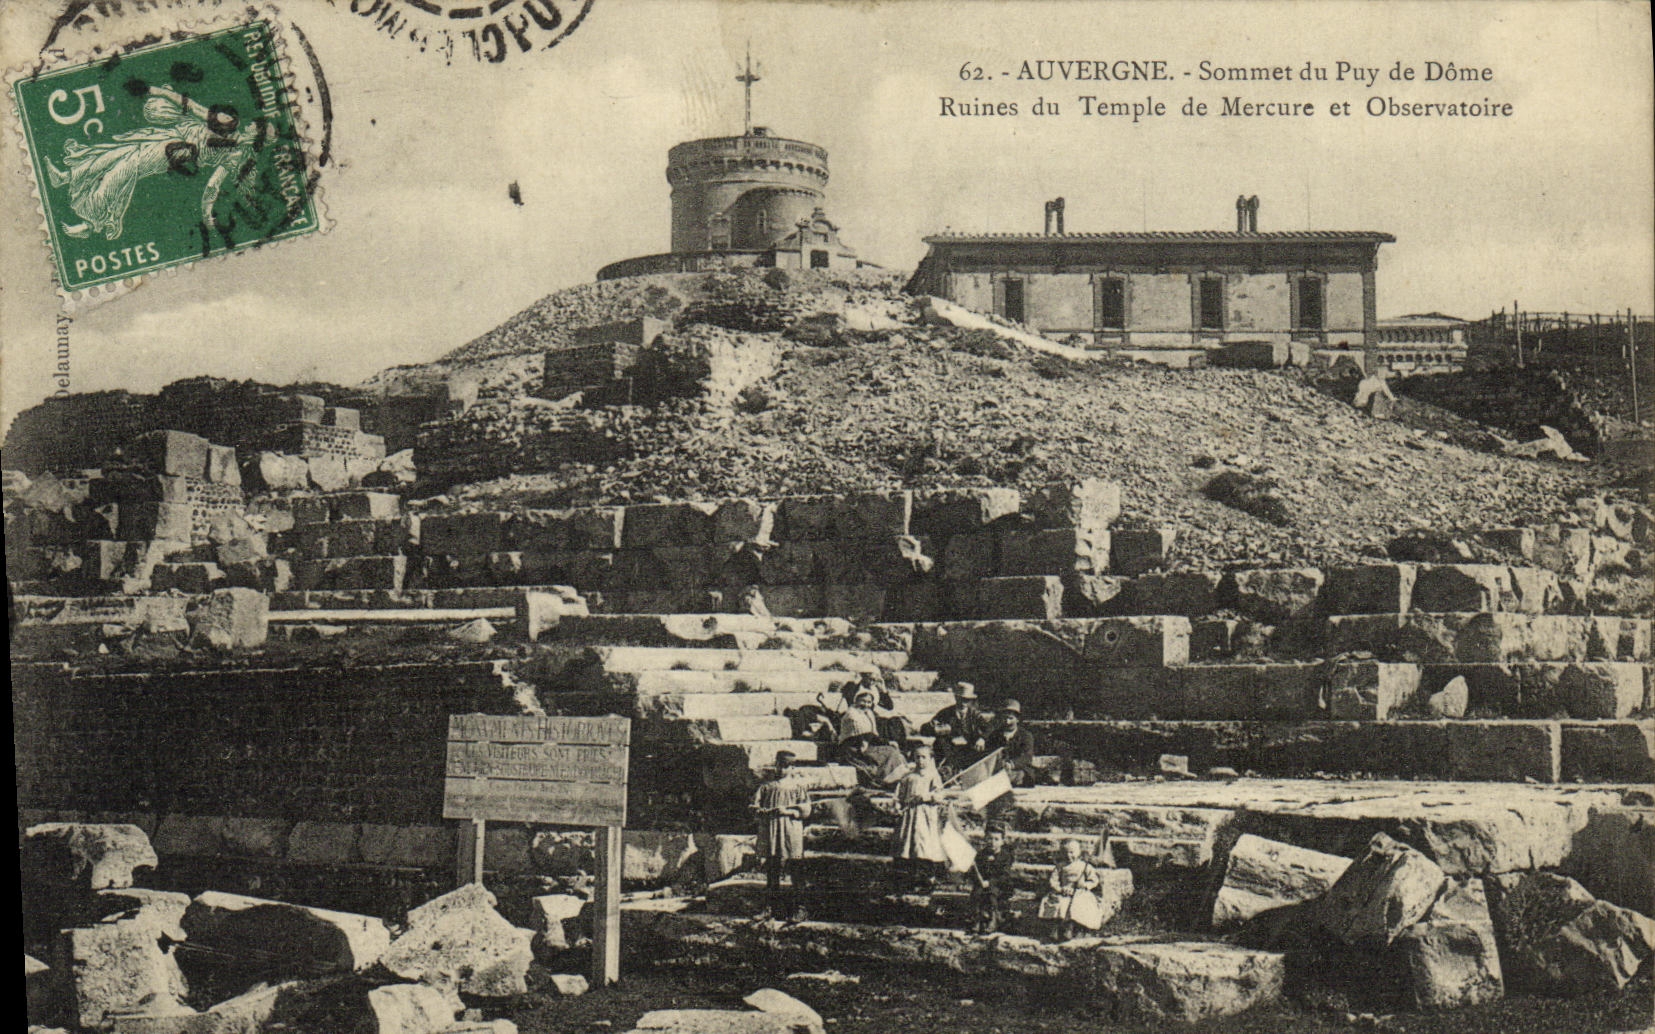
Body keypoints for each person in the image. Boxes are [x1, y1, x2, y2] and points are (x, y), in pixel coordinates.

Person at [750, 751, 810, 920]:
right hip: (772, 831)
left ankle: (800, 908)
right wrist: (761, 811)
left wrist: (788, 811)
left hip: (791, 830)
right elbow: (754, 806)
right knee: (773, 868)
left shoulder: (798, 787)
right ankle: (771, 907)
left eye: (785, 766)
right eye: (779, 765)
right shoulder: (766, 787)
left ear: (792, 768)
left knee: (795, 867)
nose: (781, 769)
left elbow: (806, 809)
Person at [891, 742, 948, 893]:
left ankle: (926, 878)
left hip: (926, 816)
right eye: (917, 757)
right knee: (909, 844)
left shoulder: (933, 776)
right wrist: (897, 805)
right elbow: (899, 795)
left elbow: (940, 795)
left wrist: (927, 796)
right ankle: (909, 877)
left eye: (924, 757)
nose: (920, 761)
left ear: (930, 759)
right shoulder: (908, 777)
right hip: (910, 816)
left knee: (923, 844)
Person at [1038, 837, 1103, 942]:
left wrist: (1085, 885)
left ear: (1078, 852)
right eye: (1065, 852)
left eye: (1072, 852)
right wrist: (1060, 889)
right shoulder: (1060, 867)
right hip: (1064, 891)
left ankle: (1071, 928)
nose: (1069, 855)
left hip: (1079, 892)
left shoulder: (1084, 866)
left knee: (1077, 903)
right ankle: (1056, 929)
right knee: (1060, 902)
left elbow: (1094, 880)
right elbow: (1053, 881)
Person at [923, 682, 991, 774]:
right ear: (956, 698)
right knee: (940, 743)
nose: (963, 703)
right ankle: (947, 772)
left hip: (968, 749)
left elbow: (988, 728)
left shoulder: (974, 715)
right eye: (961, 699)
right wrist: (933, 727)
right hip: (949, 749)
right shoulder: (946, 713)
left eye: (966, 700)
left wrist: (982, 738)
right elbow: (924, 730)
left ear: (971, 701)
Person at [970, 826, 1018, 934]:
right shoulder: (981, 854)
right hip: (983, 883)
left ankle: (993, 919)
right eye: (989, 838)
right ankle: (978, 919)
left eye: (996, 839)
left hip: (1000, 884)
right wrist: (979, 880)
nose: (992, 842)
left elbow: (1004, 875)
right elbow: (977, 872)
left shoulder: (1006, 856)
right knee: (976, 893)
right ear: (985, 839)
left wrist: (990, 882)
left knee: (992, 893)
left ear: (1002, 841)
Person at [986, 700, 1039, 786]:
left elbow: (1027, 757)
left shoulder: (1025, 736)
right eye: (1005, 718)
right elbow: (990, 754)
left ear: (1017, 719)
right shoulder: (995, 735)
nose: (1007, 722)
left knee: (1015, 776)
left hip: (1020, 770)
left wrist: (1011, 764)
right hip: (999, 770)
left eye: (1011, 718)